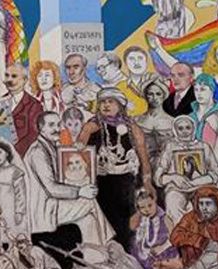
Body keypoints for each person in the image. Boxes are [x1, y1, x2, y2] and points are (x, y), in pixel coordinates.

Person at [77, 87, 153, 249]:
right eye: (103, 102)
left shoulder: (132, 127)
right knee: (105, 221)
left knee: (126, 223)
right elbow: (78, 152)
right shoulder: (91, 126)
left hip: (127, 182)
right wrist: (91, 168)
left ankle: (126, 254)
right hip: (101, 182)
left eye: (111, 101)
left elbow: (143, 157)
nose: (106, 105)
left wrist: (147, 181)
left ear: (120, 105)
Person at [25, 111, 108, 253]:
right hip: (45, 209)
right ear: (41, 128)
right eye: (51, 125)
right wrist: (80, 191)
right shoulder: (37, 152)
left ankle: (97, 253)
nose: (57, 129)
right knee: (90, 203)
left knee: (89, 216)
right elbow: (51, 188)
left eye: (58, 125)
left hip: (55, 202)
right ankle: (105, 246)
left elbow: (65, 174)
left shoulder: (53, 146)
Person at [155, 115, 218, 225]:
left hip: (201, 187)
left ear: (193, 129)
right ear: (175, 130)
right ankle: (182, 233)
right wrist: (173, 177)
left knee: (206, 205)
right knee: (173, 202)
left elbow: (217, 172)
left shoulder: (204, 146)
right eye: (180, 128)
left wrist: (199, 181)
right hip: (177, 188)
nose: (184, 131)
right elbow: (158, 177)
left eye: (188, 127)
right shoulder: (170, 147)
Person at [0, 139, 29, 239]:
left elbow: (20, 194)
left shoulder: (15, 171)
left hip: (10, 208)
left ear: (7, 153)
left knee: (12, 233)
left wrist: (19, 211)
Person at [5, 62, 44, 155]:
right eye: (7, 76)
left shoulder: (34, 105)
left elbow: (33, 135)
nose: (9, 80)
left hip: (21, 156)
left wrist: (11, 153)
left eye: (14, 76)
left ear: (25, 80)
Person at [135, 79, 175, 168]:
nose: (154, 97)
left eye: (158, 94)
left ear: (163, 95)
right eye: (150, 94)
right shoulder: (136, 120)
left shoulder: (172, 121)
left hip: (165, 166)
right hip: (140, 165)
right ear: (145, 96)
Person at [60, 53, 100, 118]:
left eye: (76, 67)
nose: (71, 72)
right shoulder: (61, 91)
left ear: (84, 69)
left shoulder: (96, 90)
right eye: (68, 68)